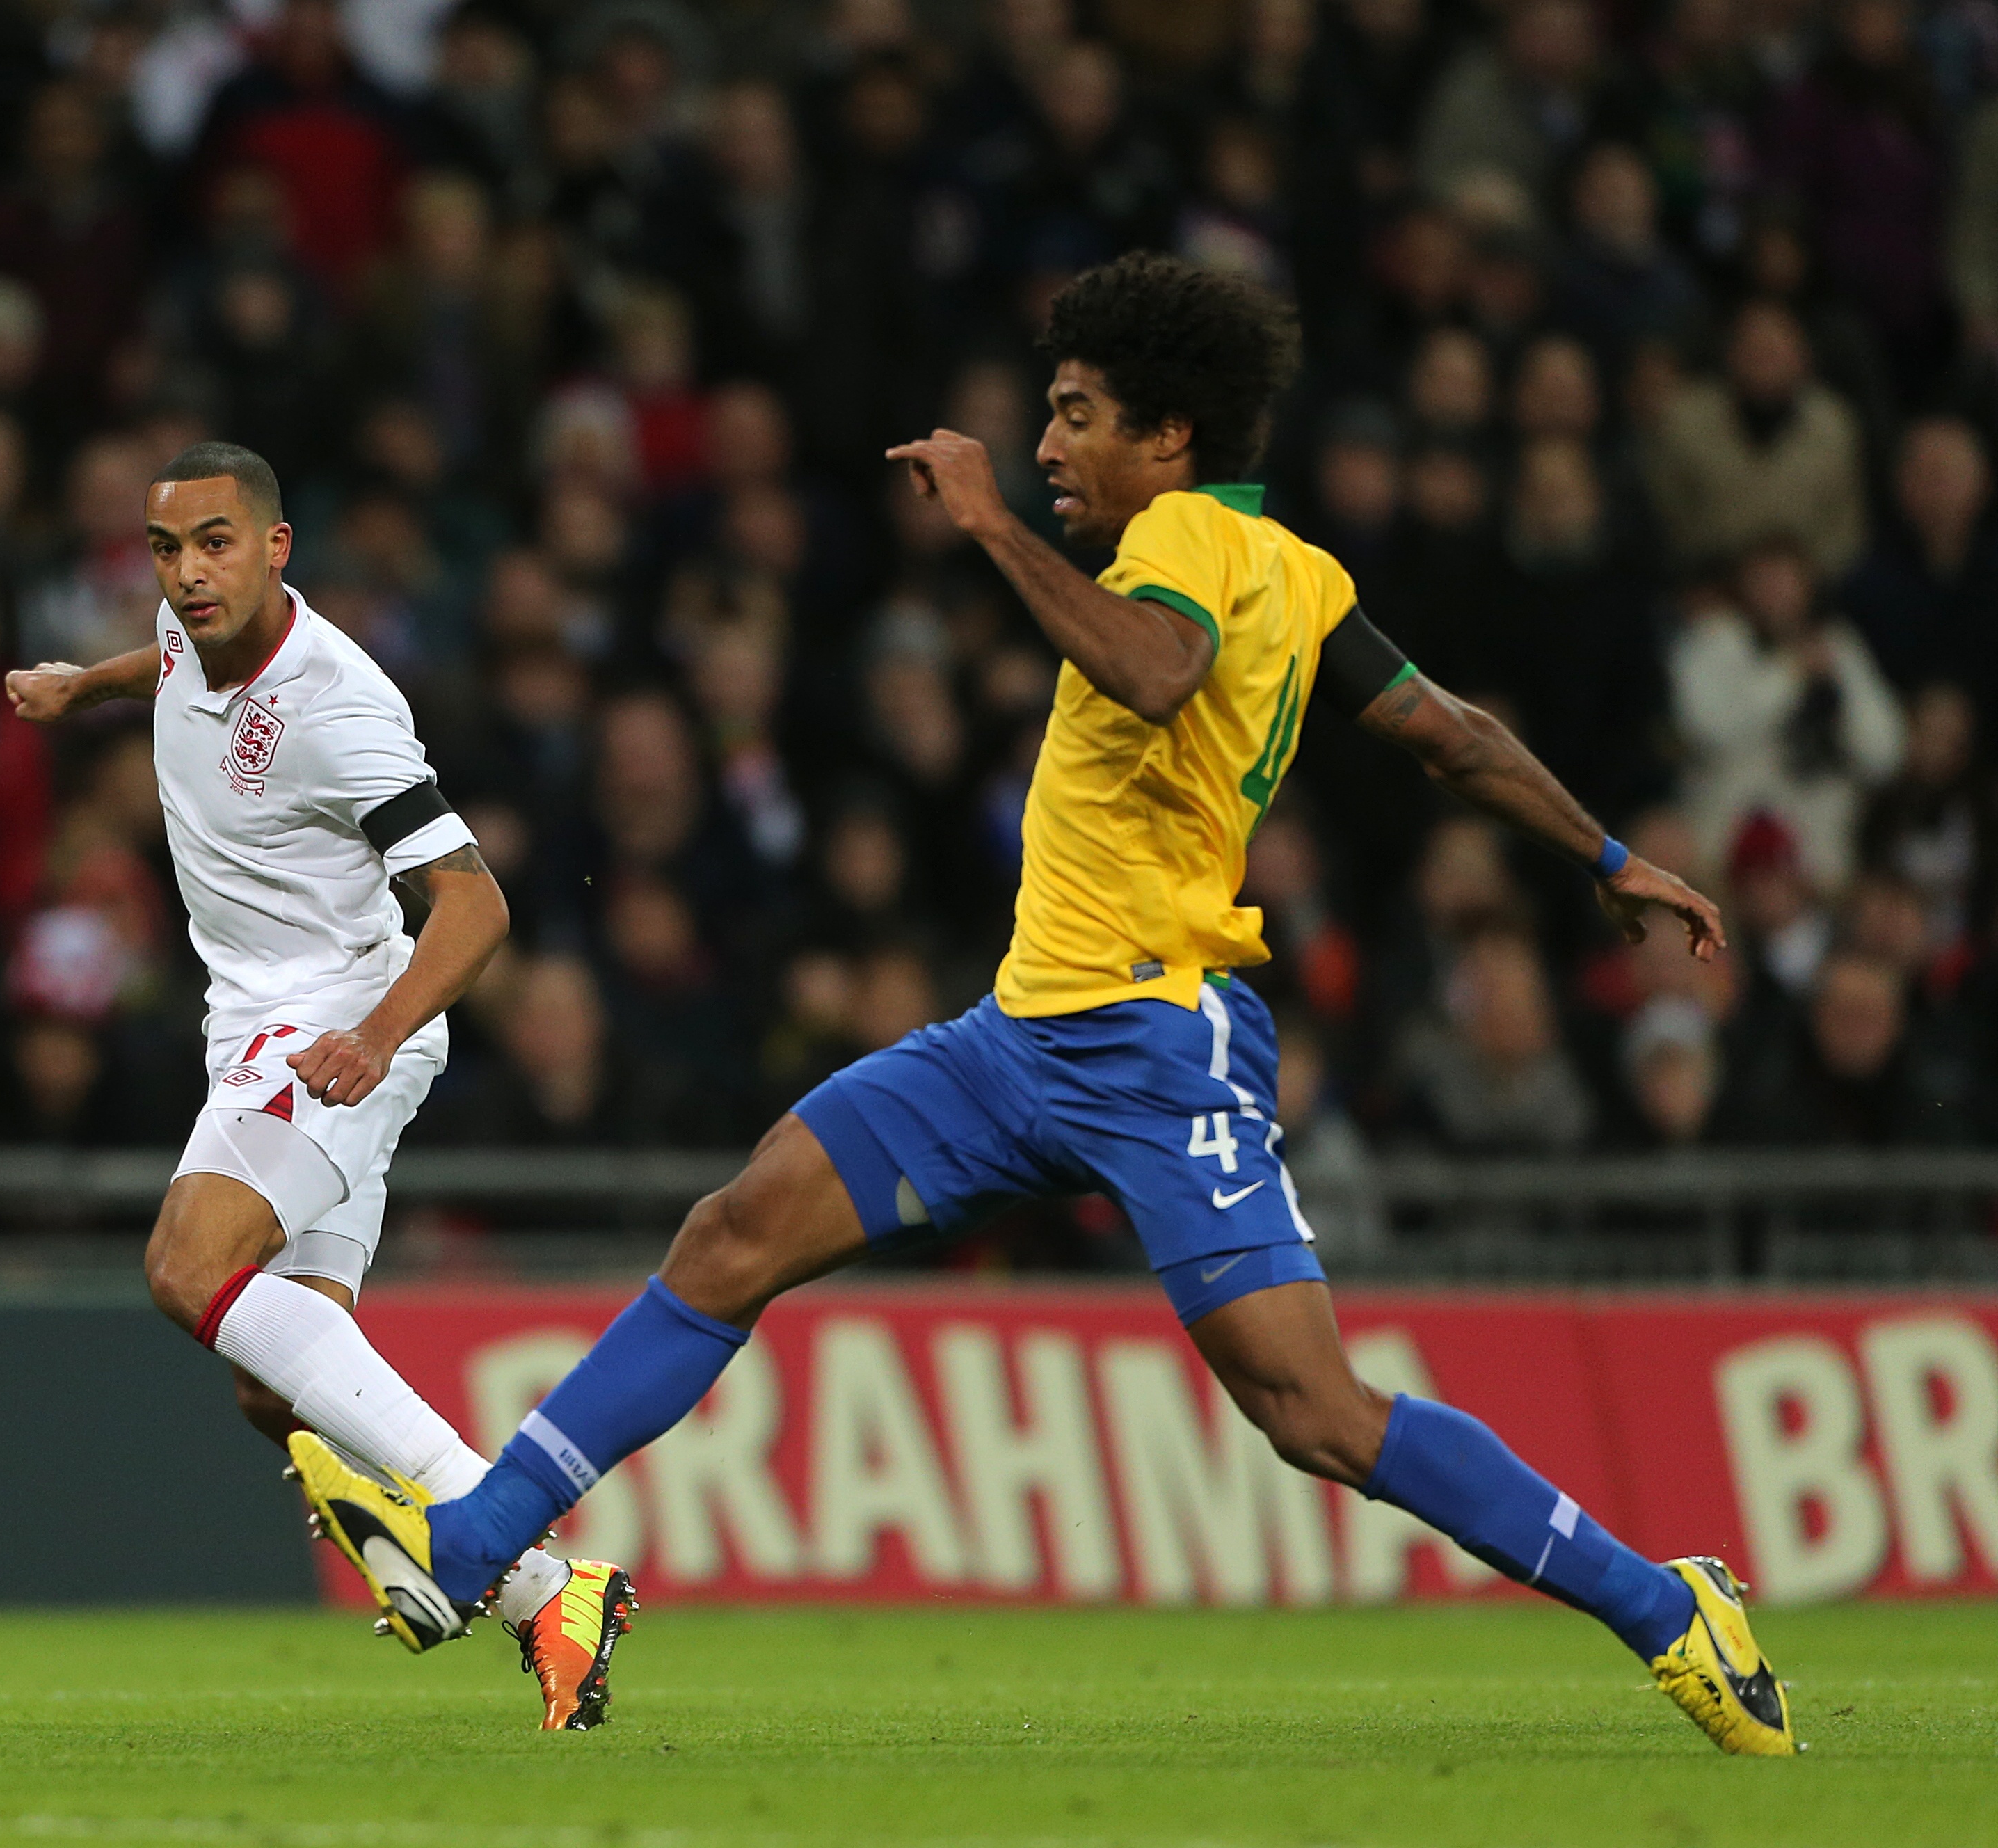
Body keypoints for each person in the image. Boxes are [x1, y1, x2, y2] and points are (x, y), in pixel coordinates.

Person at [287, 256, 1798, 1758]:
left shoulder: (1184, 541)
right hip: (1020, 1039)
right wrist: (1608, 857)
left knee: (1316, 1411)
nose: (1050, 444)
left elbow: (1159, 672)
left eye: (1078, 416)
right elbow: (1449, 733)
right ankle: (478, 1540)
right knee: (736, 1232)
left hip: (1157, 1044)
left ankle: (1668, 1607)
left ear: (1171, 436)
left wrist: (991, 521)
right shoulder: (1300, 573)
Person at [1, 442, 635, 1730]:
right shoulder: (188, 631)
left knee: (187, 1267)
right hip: (259, 1019)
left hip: (338, 1021)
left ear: (277, 546)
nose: (188, 575)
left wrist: (376, 1036)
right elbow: (162, 666)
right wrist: (82, 688)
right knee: (268, 1386)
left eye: (216, 544)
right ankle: (541, 1592)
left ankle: (496, 1528)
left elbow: (475, 905)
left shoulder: (338, 707)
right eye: (167, 550)